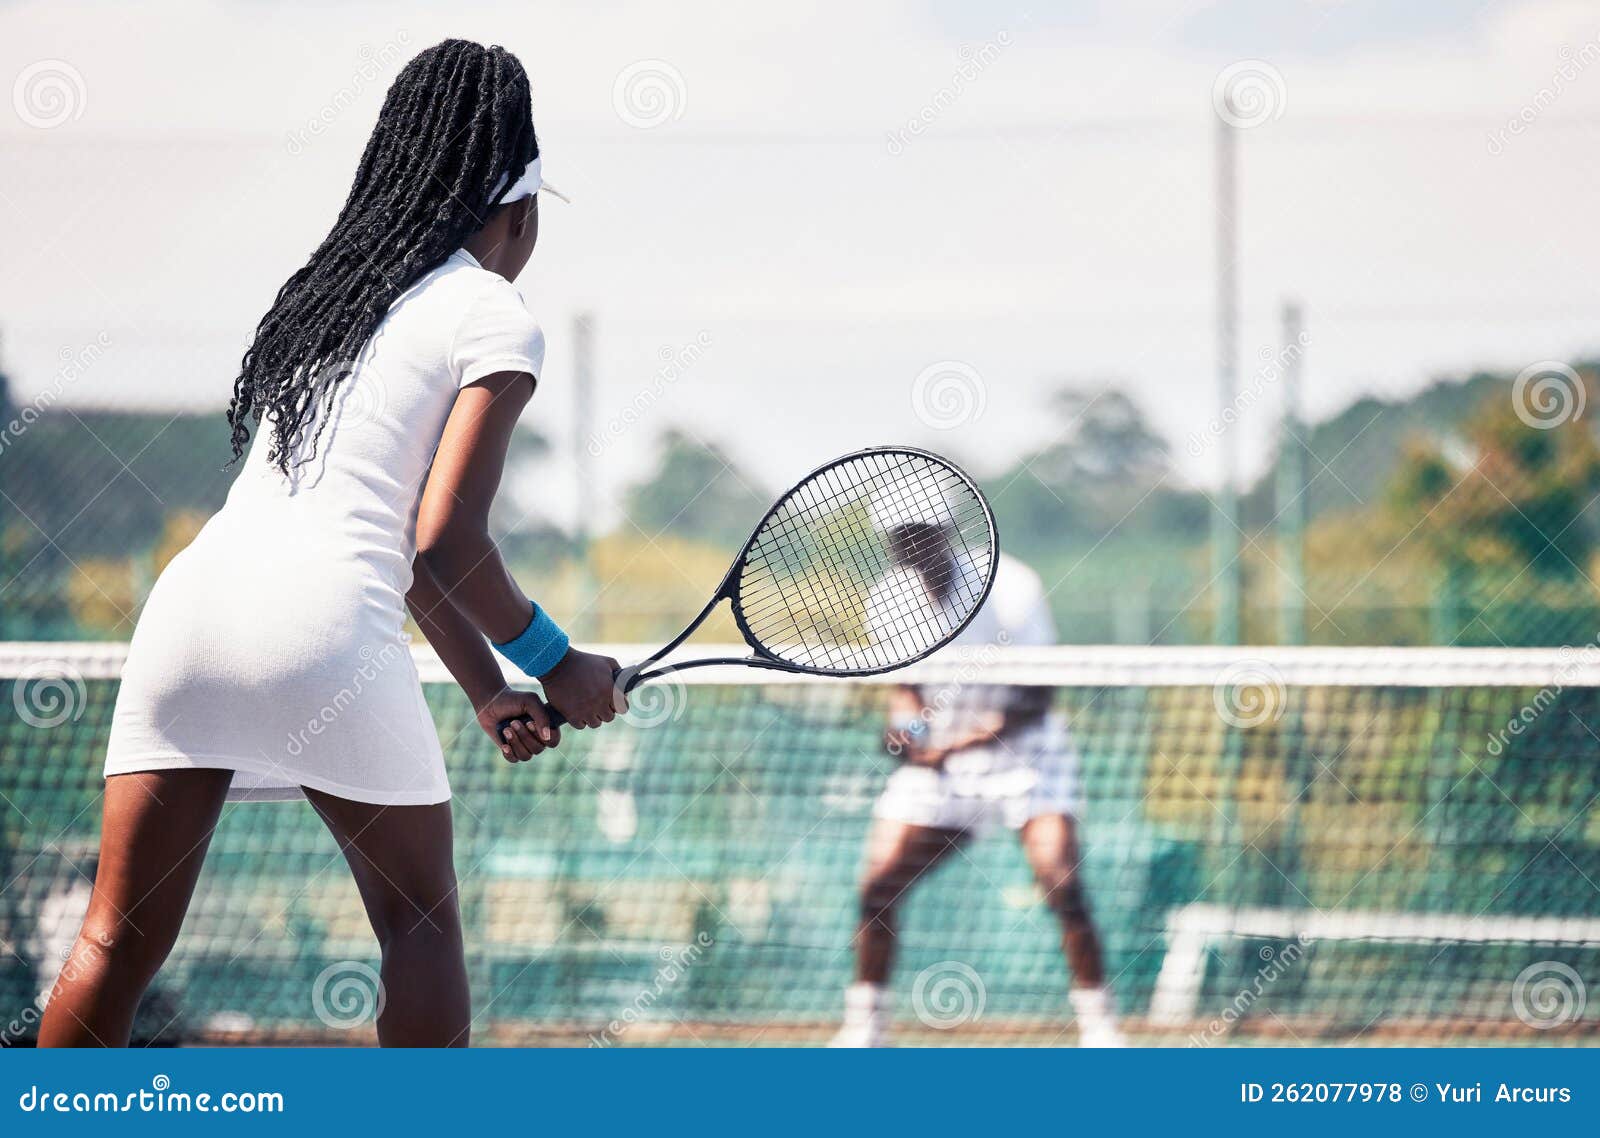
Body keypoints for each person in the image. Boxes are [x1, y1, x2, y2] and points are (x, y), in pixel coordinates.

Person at [39, 40, 622, 1048]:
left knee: (115, 936)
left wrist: (487, 690)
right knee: (419, 923)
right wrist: (555, 661)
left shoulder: (331, 303)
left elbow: (396, 544)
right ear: (520, 209)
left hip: (190, 609)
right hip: (320, 627)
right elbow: (445, 544)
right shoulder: (492, 311)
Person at [832, 504, 1125, 1047]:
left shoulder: (1012, 585)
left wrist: (956, 743)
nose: (909, 545)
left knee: (1060, 880)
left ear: (944, 532)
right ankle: (864, 1028)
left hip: (1029, 761)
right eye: (899, 535)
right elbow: (907, 694)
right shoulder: (890, 597)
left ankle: (1099, 1027)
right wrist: (908, 733)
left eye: (919, 533)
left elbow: (1037, 698)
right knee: (877, 887)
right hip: (944, 770)